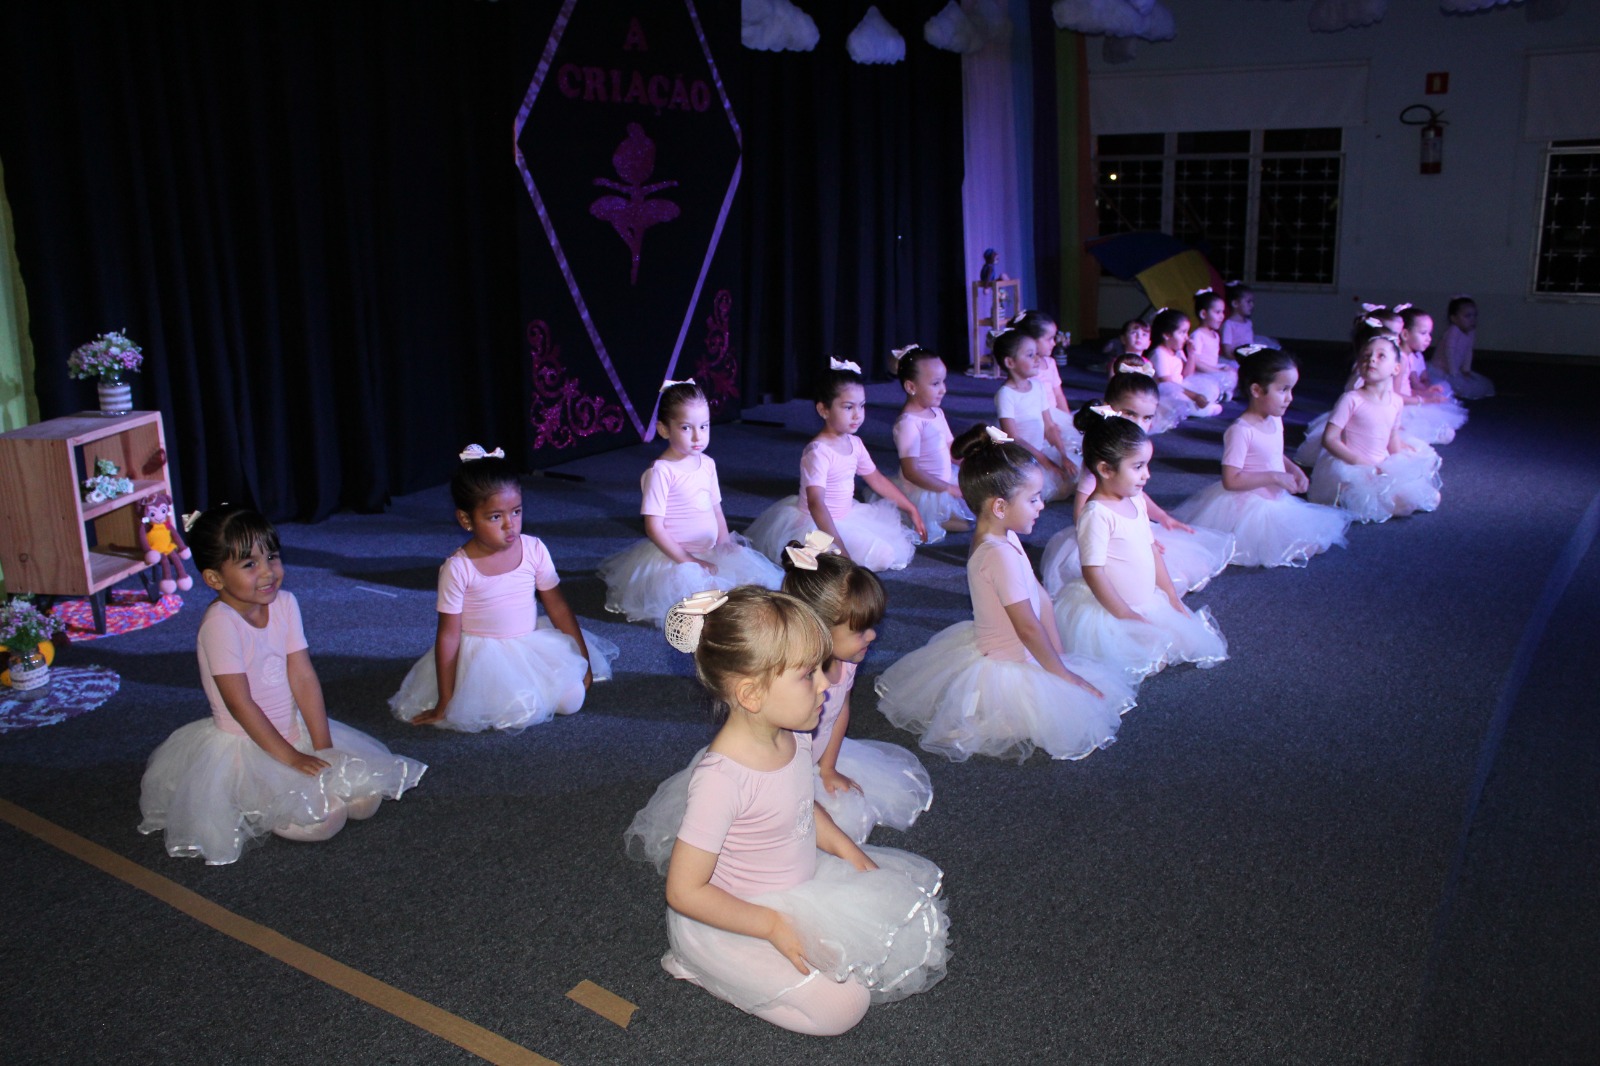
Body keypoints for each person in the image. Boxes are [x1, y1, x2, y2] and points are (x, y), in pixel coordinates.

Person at [646, 588, 949, 1036]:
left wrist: (851, 853)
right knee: (842, 1009)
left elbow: (803, 809)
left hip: (798, 886)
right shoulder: (721, 781)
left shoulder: (793, 733)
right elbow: (685, 891)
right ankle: (703, 965)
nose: (828, 683)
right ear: (751, 694)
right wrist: (771, 925)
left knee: (898, 927)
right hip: (736, 918)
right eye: (809, 674)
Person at [138, 506, 425, 864]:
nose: (268, 572)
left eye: (271, 557)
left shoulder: (286, 604)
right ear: (214, 579)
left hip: (293, 728)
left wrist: (322, 745)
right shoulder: (220, 624)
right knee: (326, 819)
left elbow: (303, 677)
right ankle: (257, 800)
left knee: (365, 801)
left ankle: (298, 779)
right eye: (249, 565)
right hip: (246, 743)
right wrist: (290, 757)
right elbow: (240, 704)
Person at [624, 534, 934, 863]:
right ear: (819, 629)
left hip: (812, 755)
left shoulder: (844, 665)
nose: (872, 636)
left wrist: (828, 767)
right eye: (860, 630)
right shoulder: (785, 701)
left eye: (873, 626)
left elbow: (840, 709)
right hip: (773, 766)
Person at [874, 425, 1134, 763]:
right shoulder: (997, 554)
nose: (1042, 506)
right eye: (1033, 498)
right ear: (999, 506)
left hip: (1024, 649)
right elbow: (1026, 627)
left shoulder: (1004, 536)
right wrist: (1061, 673)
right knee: (1022, 719)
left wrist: (1058, 656)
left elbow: (1040, 597)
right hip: (1007, 662)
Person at [389, 446, 616, 731]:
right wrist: (445, 699)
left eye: (517, 512)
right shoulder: (458, 568)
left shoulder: (534, 549)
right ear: (466, 520)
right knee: (507, 711)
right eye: (495, 517)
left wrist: (583, 663)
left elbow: (558, 607)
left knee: (572, 701)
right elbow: (448, 634)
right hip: (483, 656)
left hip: (531, 642)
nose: (510, 525)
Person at [1051, 410, 1230, 683]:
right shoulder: (1097, 513)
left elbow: (1151, 548)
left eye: (1147, 465)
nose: (1147, 475)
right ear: (1105, 469)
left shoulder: (1134, 499)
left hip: (1147, 599)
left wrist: (1171, 595)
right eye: (1137, 467)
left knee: (1175, 645)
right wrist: (1125, 614)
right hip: (1112, 609)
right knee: (1137, 662)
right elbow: (1093, 572)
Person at [598, 379, 782, 624]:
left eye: (704, 426)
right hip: (676, 557)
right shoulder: (662, 472)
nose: (698, 437)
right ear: (664, 430)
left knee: (748, 591)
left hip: (711, 548)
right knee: (704, 605)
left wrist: (725, 540)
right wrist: (690, 561)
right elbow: (654, 527)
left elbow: (715, 506)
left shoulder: (707, 463)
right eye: (686, 428)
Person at [1040, 374, 1235, 597]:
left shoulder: (1137, 447)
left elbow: (1136, 495)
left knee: (1178, 561)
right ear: (1110, 408)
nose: (1138, 424)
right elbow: (1081, 513)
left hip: (1130, 519)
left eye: (1147, 418)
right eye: (1130, 413)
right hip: (1106, 529)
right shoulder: (1103, 455)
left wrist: (1162, 516)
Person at [1171, 348, 1351, 567]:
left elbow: (1273, 452)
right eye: (1283, 390)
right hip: (1248, 504)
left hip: (1277, 499)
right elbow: (1231, 480)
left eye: (1291, 390)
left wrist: (1293, 468)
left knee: (1312, 541)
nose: (1289, 398)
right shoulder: (1241, 430)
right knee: (1277, 548)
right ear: (1256, 390)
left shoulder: (1275, 419)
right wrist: (1274, 476)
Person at [746, 359, 925, 570]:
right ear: (824, 410)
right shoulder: (818, 452)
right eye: (848, 407)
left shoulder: (855, 444)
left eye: (862, 405)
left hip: (849, 516)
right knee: (841, 562)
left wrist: (910, 507)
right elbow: (816, 503)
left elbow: (876, 478)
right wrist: (838, 544)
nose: (858, 414)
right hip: (817, 524)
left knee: (887, 555)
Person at [1307, 336, 1443, 522]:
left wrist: (1402, 460)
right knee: (1383, 502)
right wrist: (1359, 462)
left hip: (1380, 464)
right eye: (1366, 356)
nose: (1371, 359)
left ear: (1396, 368)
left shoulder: (1396, 401)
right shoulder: (1351, 399)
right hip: (1351, 464)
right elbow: (1329, 439)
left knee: (1421, 499)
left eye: (1381, 356)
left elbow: (1392, 437)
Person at [890, 346, 974, 543]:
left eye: (943, 381)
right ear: (911, 387)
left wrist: (972, 462)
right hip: (927, 490)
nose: (943, 389)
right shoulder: (908, 424)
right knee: (968, 522)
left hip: (946, 479)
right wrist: (949, 489)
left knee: (981, 499)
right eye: (935, 383)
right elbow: (912, 471)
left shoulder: (937, 413)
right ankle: (915, 517)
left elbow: (952, 450)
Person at [992, 329, 1078, 500]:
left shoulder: (1037, 386)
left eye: (1037, 354)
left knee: (1074, 476)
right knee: (1031, 490)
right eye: (1031, 355)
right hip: (1020, 457)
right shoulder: (1006, 394)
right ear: (1010, 362)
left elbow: (1050, 426)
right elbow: (1014, 438)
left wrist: (1063, 456)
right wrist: (1046, 463)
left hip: (1039, 450)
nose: (1038, 359)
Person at [1393, 307, 1468, 446]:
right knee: (1444, 434)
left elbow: (1403, 389)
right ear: (1405, 334)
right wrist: (1424, 400)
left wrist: (1425, 393)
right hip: (1395, 410)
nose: (1429, 338)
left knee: (1445, 427)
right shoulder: (1401, 359)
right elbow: (1394, 396)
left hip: (1403, 402)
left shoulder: (1407, 357)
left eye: (1429, 333)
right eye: (1423, 333)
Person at [1428, 295, 1495, 400]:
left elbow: (1468, 351)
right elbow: (1449, 351)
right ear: (1454, 318)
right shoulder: (1453, 331)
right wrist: (1453, 371)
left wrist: (1466, 369)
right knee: (1451, 386)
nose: (1472, 319)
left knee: (1481, 383)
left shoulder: (1471, 332)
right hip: (1441, 369)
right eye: (1467, 316)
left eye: (1474, 316)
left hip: (1455, 369)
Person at [1147, 308, 1203, 432]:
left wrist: (1191, 354)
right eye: (1182, 333)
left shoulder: (1177, 352)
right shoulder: (1159, 353)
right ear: (1167, 335)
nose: (1186, 338)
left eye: (1187, 332)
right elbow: (1166, 384)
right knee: (1188, 401)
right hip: (1164, 394)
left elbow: (1187, 375)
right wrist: (1194, 396)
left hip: (1178, 389)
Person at [1184, 288, 1238, 407]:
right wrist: (1216, 371)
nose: (1222, 316)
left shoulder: (1215, 335)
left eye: (1223, 312)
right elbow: (1196, 361)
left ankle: (1222, 393)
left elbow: (1213, 358)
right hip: (1201, 374)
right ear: (1203, 314)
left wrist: (1220, 369)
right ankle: (1215, 395)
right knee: (1212, 384)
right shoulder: (1198, 335)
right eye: (1217, 312)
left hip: (1213, 370)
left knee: (1231, 372)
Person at [1219, 280, 1279, 358]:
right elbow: (1227, 352)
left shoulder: (1248, 322)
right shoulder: (1228, 325)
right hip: (1236, 359)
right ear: (1235, 304)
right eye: (1248, 302)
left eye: (1252, 302)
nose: (1252, 305)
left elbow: (1249, 343)